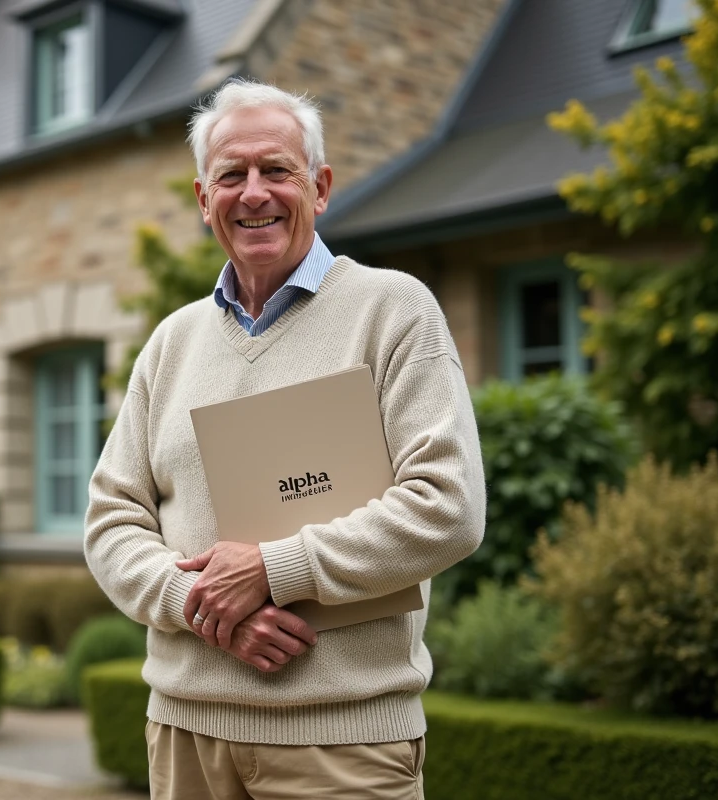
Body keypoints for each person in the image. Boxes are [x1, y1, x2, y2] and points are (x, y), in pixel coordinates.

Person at [83, 79, 485, 799]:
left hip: (344, 742)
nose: (254, 192)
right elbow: (112, 523)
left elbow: (447, 508)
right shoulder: (171, 343)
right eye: (231, 176)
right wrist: (206, 611)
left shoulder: (393, 312)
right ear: (204, 199)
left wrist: (273, 568)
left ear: (320, 186)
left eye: (277, 170)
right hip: (184, 740)